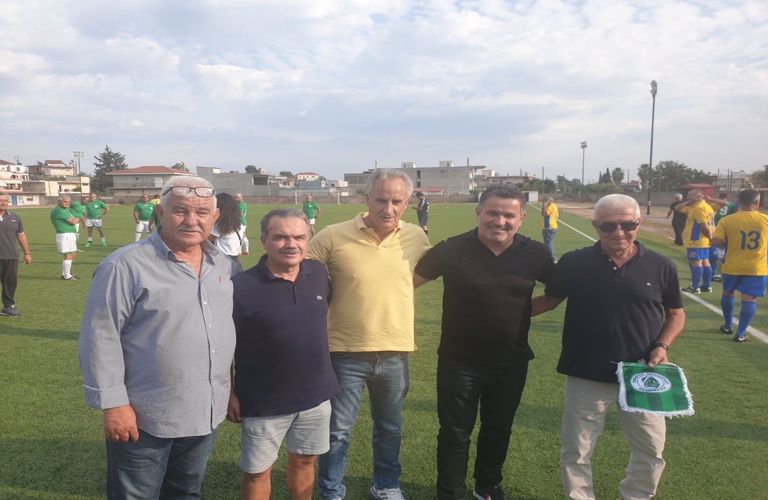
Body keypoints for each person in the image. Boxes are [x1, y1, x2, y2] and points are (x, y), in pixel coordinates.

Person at [79, 176, 237, 499]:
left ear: (215, 217)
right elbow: (100, 336)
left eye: (201, 212)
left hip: (205, 409)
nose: (191, 220)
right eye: (180, 210)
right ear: (161, 213)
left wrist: (232, 388)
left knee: (186, 491)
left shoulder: (224, 265)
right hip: (145, 415)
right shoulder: (125, 265)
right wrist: (114, 404)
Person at [532, 193, 685, 500]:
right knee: (577, 449)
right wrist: (498, 309)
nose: (619, 232)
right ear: (595, 226)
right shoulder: (574, 262)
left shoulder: (660, 265)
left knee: (651, 449)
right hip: (587, 371)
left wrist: (662, 345)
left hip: (642, 373)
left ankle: (636, 496)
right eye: (608, 226)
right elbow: (548, 301)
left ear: (638, 223)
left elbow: (675, 314)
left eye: (628, 224)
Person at [414, 186, 554, 500]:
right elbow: (407, 283)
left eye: (508, 215)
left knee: (498, 428)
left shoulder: (535, 253)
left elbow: (556, 292)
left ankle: (487, 486)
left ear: (521, 217)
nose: (500, 221)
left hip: (511, 361)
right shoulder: (452, 249)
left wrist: (523, 311)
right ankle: (450, 492)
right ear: (478, 212)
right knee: (454, 432)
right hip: (458, 361)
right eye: (492, 212)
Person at [307, 169, 431, 500]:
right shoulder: (333, 235)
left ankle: (386, 485)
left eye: (396, 201)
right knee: (338, 430)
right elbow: (299, 271)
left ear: (407, 203)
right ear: (366, 199)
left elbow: (422, 273)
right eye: (381, 199)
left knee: (390, 428)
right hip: (344, 352)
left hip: (395, 352)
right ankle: (331, 490)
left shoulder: (416, 237)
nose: (388, 208)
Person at [228, 208, 339, 500]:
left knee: (305, 461)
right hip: (264, 400)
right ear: (263, 240)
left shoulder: (318, 273)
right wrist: (229, 391)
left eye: (299, 237)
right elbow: (224, 344)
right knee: (257, 472)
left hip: (316, 396)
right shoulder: (241, 287)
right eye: (281, 237)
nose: (291, 244)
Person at [712, 189, 768, 342]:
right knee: (749, 299)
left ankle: (727, 325)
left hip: (732, 265)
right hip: (756, 267)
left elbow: (716, 242)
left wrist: (729, 244)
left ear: (739, 201)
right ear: (757, 202)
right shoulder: (765, 220)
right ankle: (741, 333)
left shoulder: (727, 220)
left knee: (728, 293)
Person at [675, 189, 716, 293]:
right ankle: (706, 286)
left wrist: (710, 237)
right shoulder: (704, 206)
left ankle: (695, 287)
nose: (688, 197)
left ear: (699, 196)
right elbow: (677, 208)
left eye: (691, 196)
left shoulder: (698, 208)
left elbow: (703, 226)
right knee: (705, 262)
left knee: (696, 263)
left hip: (696, 240)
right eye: (688, 195)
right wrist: (688, 201)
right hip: (703, 241)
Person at [0, 191, 32, 316]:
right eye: (1, 200)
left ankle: (8, 307)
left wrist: (27, 253)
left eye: (5, 200)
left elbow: (21, 236)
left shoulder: (15, 217)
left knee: (10, 283)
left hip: (11, 256)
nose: (3, 203)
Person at [210, 193, 244, 272]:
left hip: (223, 262)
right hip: (236, 261)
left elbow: (204, 240)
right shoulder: (238, 223)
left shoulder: (220, 225)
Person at [710, 192, 738, 282]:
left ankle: (714, 272)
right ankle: (723, 273)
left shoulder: (716, 204)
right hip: (728, 229)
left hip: (718, 228)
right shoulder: (732, 205)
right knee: (726, 251)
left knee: (715, 249)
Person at [50, 195, 79, 280]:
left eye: (69, 202)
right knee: (68, 254)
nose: (67, 204)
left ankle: (66, 273)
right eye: (65, 202)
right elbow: (73, 222)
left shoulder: (65, 210)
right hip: (65, 235)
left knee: (72, 254)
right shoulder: (59, 210)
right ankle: (67, 276)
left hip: (69, 235)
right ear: (59, 202)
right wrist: (77, 218)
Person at [541, 196, 559, 261]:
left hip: (548, 226)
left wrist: (544, 206)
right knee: (547, 242)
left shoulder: (550, 206)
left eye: (545, 201)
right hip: (552, 226)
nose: (543, 202)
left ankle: (552, 258)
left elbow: (545, 213)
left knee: (548, 243)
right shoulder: (554, 205)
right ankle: (548, 256)